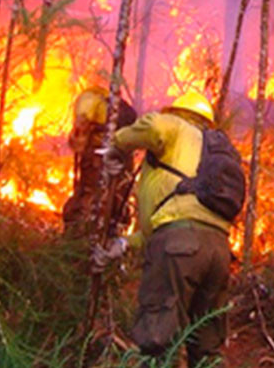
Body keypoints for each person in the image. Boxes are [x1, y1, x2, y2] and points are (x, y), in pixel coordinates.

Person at [92, 91, 244, 367]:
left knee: (157, 337)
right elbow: (165, 222)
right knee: (206, 344)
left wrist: (117, 145)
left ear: (176, 112)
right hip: (219, 252)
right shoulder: (211, 150)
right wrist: (125, 244)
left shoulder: (176, 127)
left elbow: (153, 127)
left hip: (179, 246)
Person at [62, 86, 136, 238]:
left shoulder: (89, 104)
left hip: (98, 164)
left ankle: (80, 242)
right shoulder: (124, 146)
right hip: (116, 164)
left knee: (88, 204)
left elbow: (77, 141)